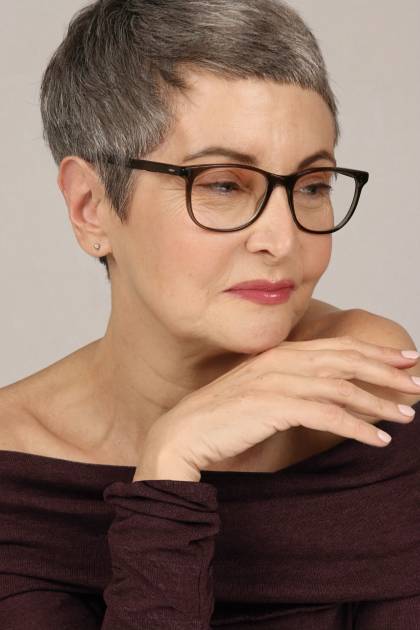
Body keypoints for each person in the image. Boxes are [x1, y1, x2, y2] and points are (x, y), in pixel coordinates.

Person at [0, 0, 419, 627]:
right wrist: (169, 470)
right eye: (223, 184)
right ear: (91, 207)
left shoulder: (373, 397)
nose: (282, 239)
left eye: (312, 186)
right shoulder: (15, 486)